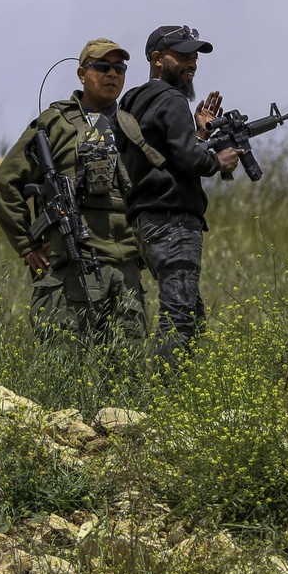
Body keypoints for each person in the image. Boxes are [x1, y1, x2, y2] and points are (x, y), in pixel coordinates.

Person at [0, 38, 148, 343]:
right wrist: (26, 245)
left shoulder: (129, 125)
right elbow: (5, 181)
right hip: (71, 267)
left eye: (119, 68)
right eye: (102, 67)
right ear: (82, 74)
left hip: (125, 268)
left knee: (128, 374)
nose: (112, 74)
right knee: (63, 367)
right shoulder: (56, 123)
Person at [116, 25, 240, 368]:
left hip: (146, 223)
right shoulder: (171, 99)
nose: (193, 64)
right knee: (180, 318)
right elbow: (187, 160)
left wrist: (198, 133)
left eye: (195, 57)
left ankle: (170, 389)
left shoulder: (132, 101)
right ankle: (156, 395)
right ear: (158, 59)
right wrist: (219, 160)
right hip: (173, 222)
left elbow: (164, 155)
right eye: (183, 56)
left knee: (191, 316)